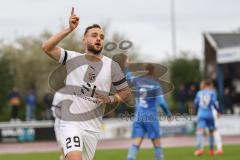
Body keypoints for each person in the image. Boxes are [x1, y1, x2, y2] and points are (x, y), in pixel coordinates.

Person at [41, 7, 132, 160]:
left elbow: (126, 93)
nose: (99, 39)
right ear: (84, 40)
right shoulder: (72, 58)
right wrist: (69, 29)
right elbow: (47, 47)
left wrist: (110, 99)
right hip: (71, 123)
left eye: (102, 37)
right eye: (94, 35)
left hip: (93, 129)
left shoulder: (111, 66)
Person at [127, 64, 172, 160]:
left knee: (137, 141)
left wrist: (127, 66)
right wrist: (168, 114)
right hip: (150, 116)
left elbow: (128, 77)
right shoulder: (155, 84)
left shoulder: (137, 81)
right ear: (153, 72)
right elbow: (162, 102)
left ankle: (130, 158)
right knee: (157, 142)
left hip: (139, 116)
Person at [194, 79, 221, 156]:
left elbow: (195, 104)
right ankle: (211, 150)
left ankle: (199, 150)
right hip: (209, 114)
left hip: (201, 114)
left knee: (200, 131)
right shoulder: (212, 93)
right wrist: (218, 111)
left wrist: (197, 110)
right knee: (211, 132)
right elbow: (215, 103)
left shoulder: (199, 93)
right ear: (209, 85)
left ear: (204, 85)